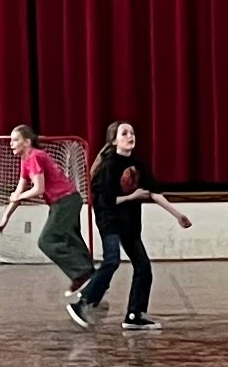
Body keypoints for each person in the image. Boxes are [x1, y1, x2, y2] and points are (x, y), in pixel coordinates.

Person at [71, 119, 190, 328]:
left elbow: (153, 192)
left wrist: (177, 214)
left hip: (130, 223)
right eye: (125, 133)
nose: (130, 136)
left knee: (143, 267)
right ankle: (83, 302)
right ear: (114, 140)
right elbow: (104, 201)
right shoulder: (108, 166)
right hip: (109, 220)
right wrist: (132, 197)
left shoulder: (137, 164)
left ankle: (135, 316)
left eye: (132, 133)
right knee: (112, 261)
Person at [0, 125, 92, 289]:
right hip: (66, 201)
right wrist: (6, 216)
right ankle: (90, 275)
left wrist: (19, 196)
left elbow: (38, 189)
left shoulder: (35, 156)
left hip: (65, 200)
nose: (11, 143)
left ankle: (82, 273)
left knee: (46, 241)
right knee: (71, 238)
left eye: (15, 140)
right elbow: (19, 189)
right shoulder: (26, 161)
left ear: (27, 142)